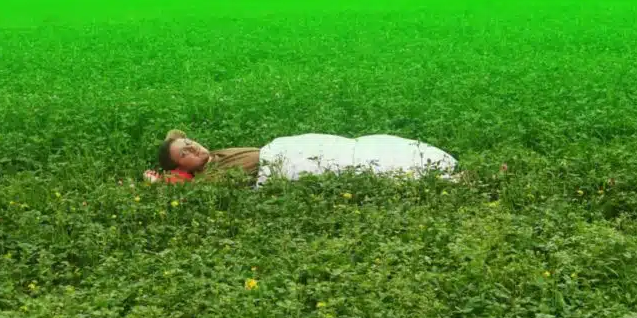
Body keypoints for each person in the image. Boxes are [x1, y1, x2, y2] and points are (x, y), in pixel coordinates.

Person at [143, 128, 463, 186]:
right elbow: (182, 191)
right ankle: (439, 176)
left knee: (357, 148)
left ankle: (430, 164)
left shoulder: (215, 155)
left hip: (286, 150)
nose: (194, 148)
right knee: (354, 164)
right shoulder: (207, 181)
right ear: (181, 166)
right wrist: (158, 183)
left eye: (190, 143)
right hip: (284, 167)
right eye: (184, 153)